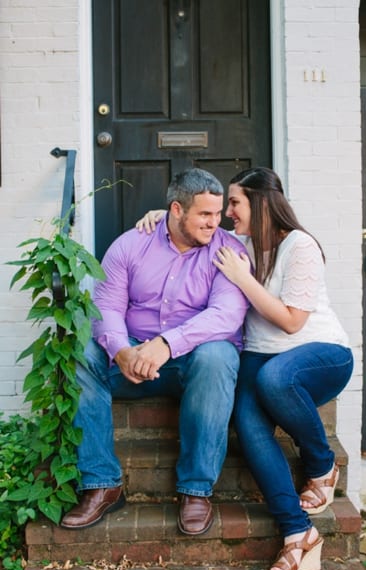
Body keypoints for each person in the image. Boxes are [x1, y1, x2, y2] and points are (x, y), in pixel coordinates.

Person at [136, 166, 353, 570]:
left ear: (260, 202)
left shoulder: (300, 246)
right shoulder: (235, 242)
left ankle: (321, 463)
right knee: (249, 427)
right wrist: (156, 215)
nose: (226, 213)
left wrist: (241, 277)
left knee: (274, 380)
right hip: (260, 355)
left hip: (318, 354)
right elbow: (189, 224)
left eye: (234, 203)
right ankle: (298, 535)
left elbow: (291, 322)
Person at [60, 168, 249, 537]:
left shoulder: (228, 250)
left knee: (219, 355)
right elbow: (107, 306)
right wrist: (121, 351)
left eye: (218, 212)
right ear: (176, 210)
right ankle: (101, 483)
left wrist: (166, 344)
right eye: (205, 215)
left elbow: (226, 316)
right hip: (131, 363)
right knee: (82, 350)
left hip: (191, 366)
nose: (216, 222)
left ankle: (196, 490)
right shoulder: (131, 244)